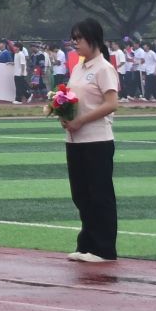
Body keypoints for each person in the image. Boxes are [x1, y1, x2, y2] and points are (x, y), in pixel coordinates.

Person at [60, 19, 122, 264]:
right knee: (81, 194)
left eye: (79, 38)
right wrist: (63, 114)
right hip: (75, 139)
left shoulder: (104, 68)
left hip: (97, 139)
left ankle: (104, 248)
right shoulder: (79, 67)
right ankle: (87, 243)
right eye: (73, 38)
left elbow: (111, 103)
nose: (75, 43)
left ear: (93, 39)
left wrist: (81, 120)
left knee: (99, 194)